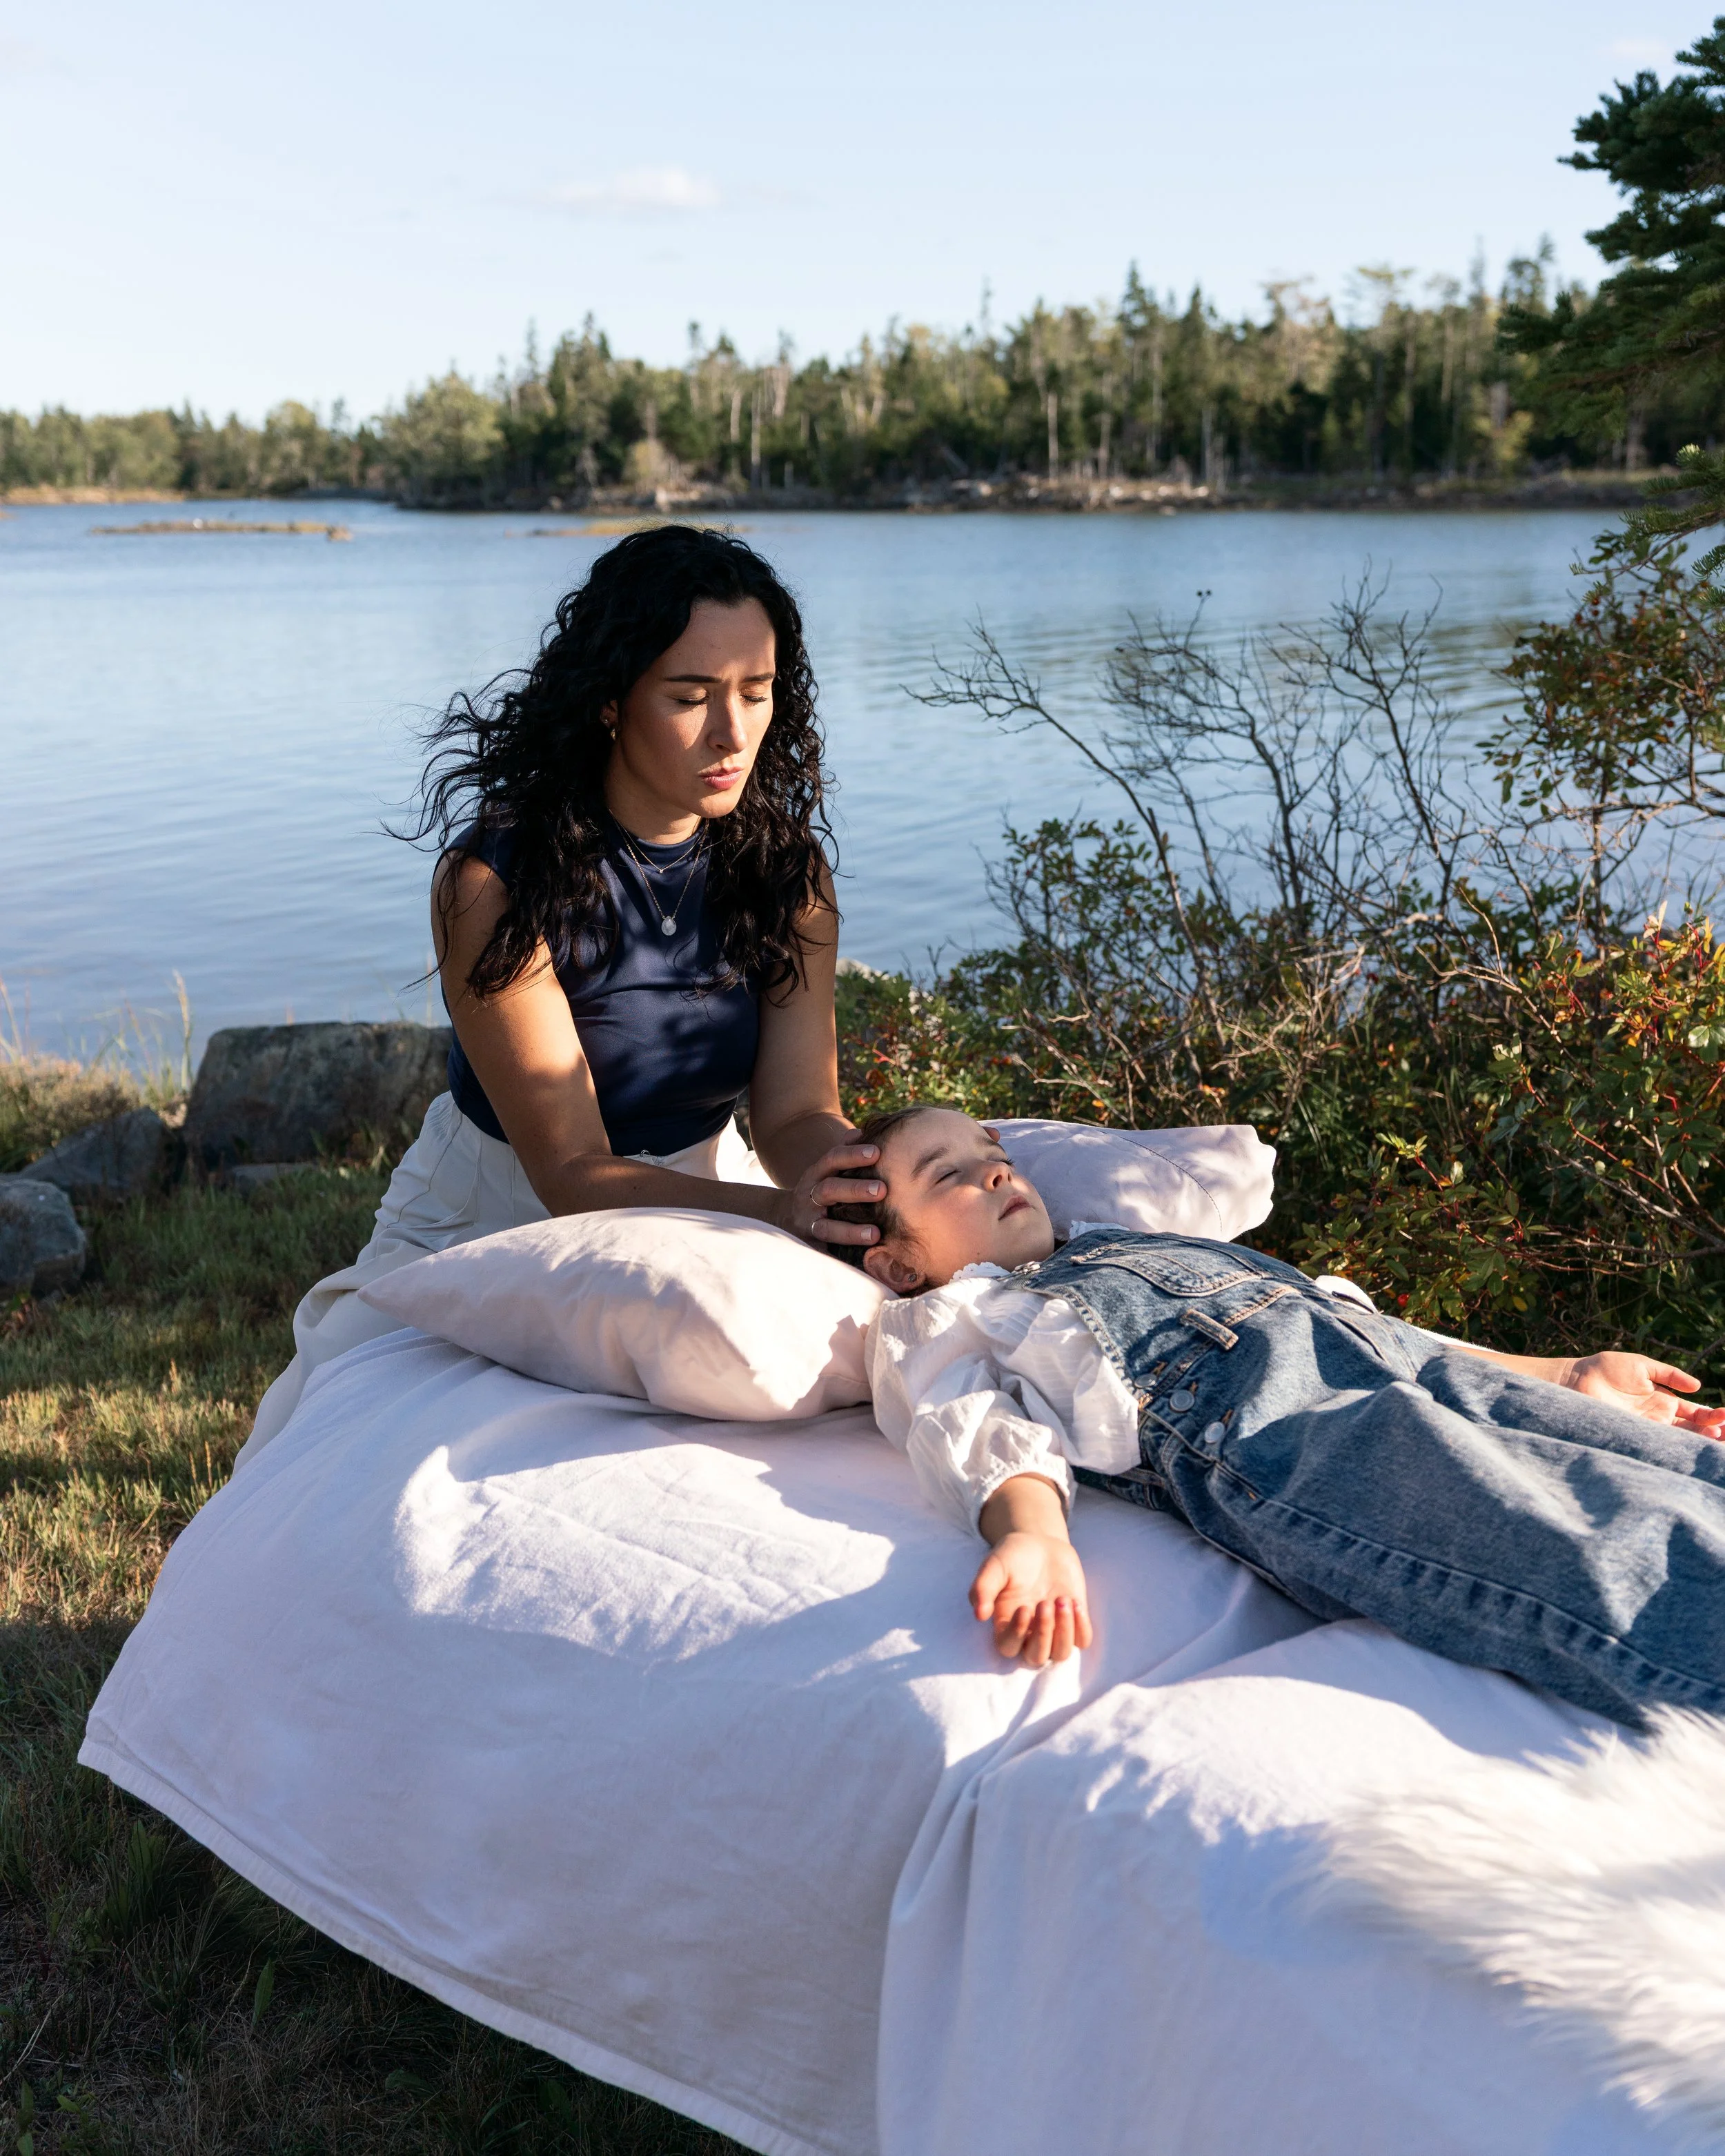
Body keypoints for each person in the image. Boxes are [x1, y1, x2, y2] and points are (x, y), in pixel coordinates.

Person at [241, 526, 885, 1463]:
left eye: (757, 692)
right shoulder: (496, 884)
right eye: (690, 697)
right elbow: (570, 1174)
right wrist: (784, 1218)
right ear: (611, 703)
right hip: (492, 1216)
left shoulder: (788, 875)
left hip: (711, 1191)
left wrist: (855, 1185)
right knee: (340, 1459)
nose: (733, 733)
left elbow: (794, 1114)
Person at [830, 1104, 1725, 1728]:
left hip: (1409, 1371)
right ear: (900, 1264)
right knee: (1600, 1558)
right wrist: (1033, 1537)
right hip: (1293, 1437)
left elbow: (1357, 1324)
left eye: (996, 1155)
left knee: (1688, 1474)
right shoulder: (953, 1314)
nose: (994, 1168)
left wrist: (1566, 1373)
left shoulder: (1120, 1242)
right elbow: (978, 1429)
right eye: (948, 1174)